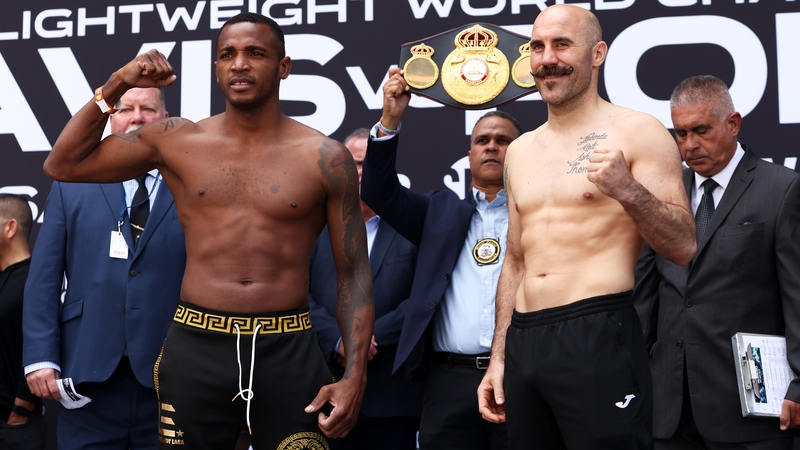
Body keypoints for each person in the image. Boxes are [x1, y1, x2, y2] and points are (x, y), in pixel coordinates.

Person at [38, 12, 373, 450]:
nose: (239, 64)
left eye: (256, 53)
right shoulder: (178, 140)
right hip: (197, 346)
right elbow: (63, 164)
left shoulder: (325, 157)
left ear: (284, 67)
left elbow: (353, 273)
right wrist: (118, 82)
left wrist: (355, 377)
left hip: (288, 347)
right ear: (215, 67)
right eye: (227, 55)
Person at [477, 5, 697, 449]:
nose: (546, 59)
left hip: (597, 333)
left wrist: (628, 190)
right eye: (536, 47)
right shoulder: (519, 151)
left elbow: (683, 245)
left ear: (597, 54)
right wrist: (499, 355)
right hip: (525, 341)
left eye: (561, 44)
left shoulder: (638, 131)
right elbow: (516, 260)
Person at [633, 75, 800, 449]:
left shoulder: (782, 189)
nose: (690, 145)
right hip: (668, 410)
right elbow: (646, 298)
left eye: (702, 130)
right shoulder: (665, 193)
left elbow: (797, 297)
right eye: (680, 134)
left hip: (751, 412)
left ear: (733, 123)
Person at [362, 67, 522, 450]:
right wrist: (390, 120)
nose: (492, 147)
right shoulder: (439, 212)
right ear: (469, 153)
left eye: (503, 141)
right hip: (450, 380)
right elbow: (378, 191)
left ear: (520, 151)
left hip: (520, 376)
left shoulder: (537, 213)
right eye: (482, 140)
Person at [22, 87, 186, 449]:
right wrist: (39, 357)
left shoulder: (192, 185)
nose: (137, 117)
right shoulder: (71, 184)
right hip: (88, 377)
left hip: (173, 376)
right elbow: (44, 279)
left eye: (148, 108)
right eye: (126, 108)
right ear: (111, 118)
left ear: (165, 119)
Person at [309, 128, 424, 450]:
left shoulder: (411, 227)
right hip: (324, 392)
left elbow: (423, 299)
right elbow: (299, 295)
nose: (360, 174)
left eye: (367, 165)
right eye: (352, 164)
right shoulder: (313, 227)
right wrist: (338, 340)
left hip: (392, 399)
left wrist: (360, 341)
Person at [0, 194, 45, 449]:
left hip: (15, 427)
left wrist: (19, 412)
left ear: (11, 227)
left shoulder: (35, 280)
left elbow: (42, 344)